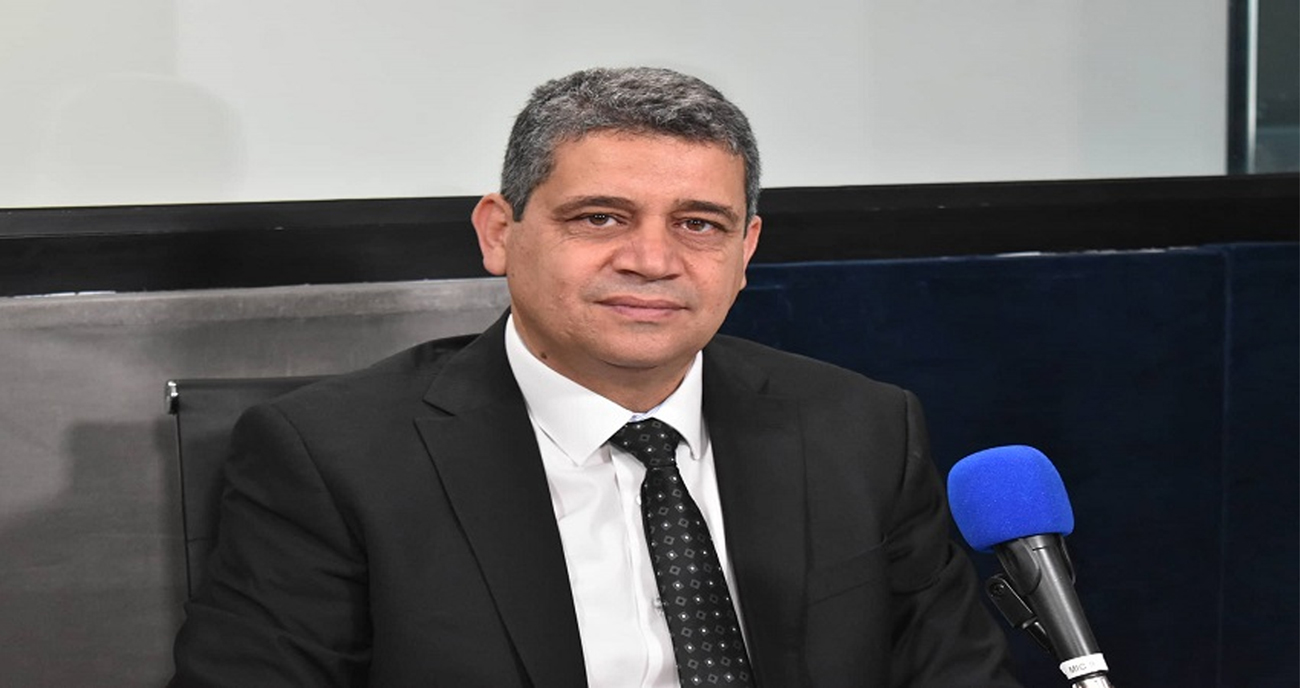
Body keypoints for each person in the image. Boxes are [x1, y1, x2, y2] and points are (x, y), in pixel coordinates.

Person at [169, 67, 1021, 687]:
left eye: (699, 224)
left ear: (745, 252)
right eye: (601, 218)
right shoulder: (333, 459)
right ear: (499, 233)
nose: (652, 259)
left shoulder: (861, 431)